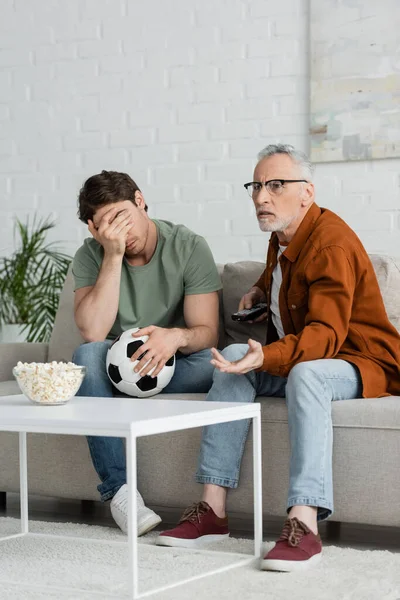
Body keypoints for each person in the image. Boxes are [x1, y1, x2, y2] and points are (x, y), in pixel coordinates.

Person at [156, 144, 400, 571]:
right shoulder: (284, 235)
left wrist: (267, 355)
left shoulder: (330, 245)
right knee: (231, 355)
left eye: (275, 185)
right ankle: (212, 508)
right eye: (256, 186)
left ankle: (304, 522)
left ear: (307, 192)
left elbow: (325, 335)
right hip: (312, 357)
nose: (260, 197)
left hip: (360, 361)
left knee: (307, 374)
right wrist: (258, 289)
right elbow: (284, 276)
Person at [72, 170, 221, 536]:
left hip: (177, 364)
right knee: (86, 357)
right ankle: (122, 494)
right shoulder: (93, 255)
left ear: (140, 201)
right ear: (93, 230)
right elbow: (93, 331)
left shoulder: (188, 245)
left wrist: (174, 338)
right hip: (113, 369)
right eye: (107, 225)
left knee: (225, 358)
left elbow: (206, 332)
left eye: (124, 217)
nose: (121, 230)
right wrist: (112, 252)